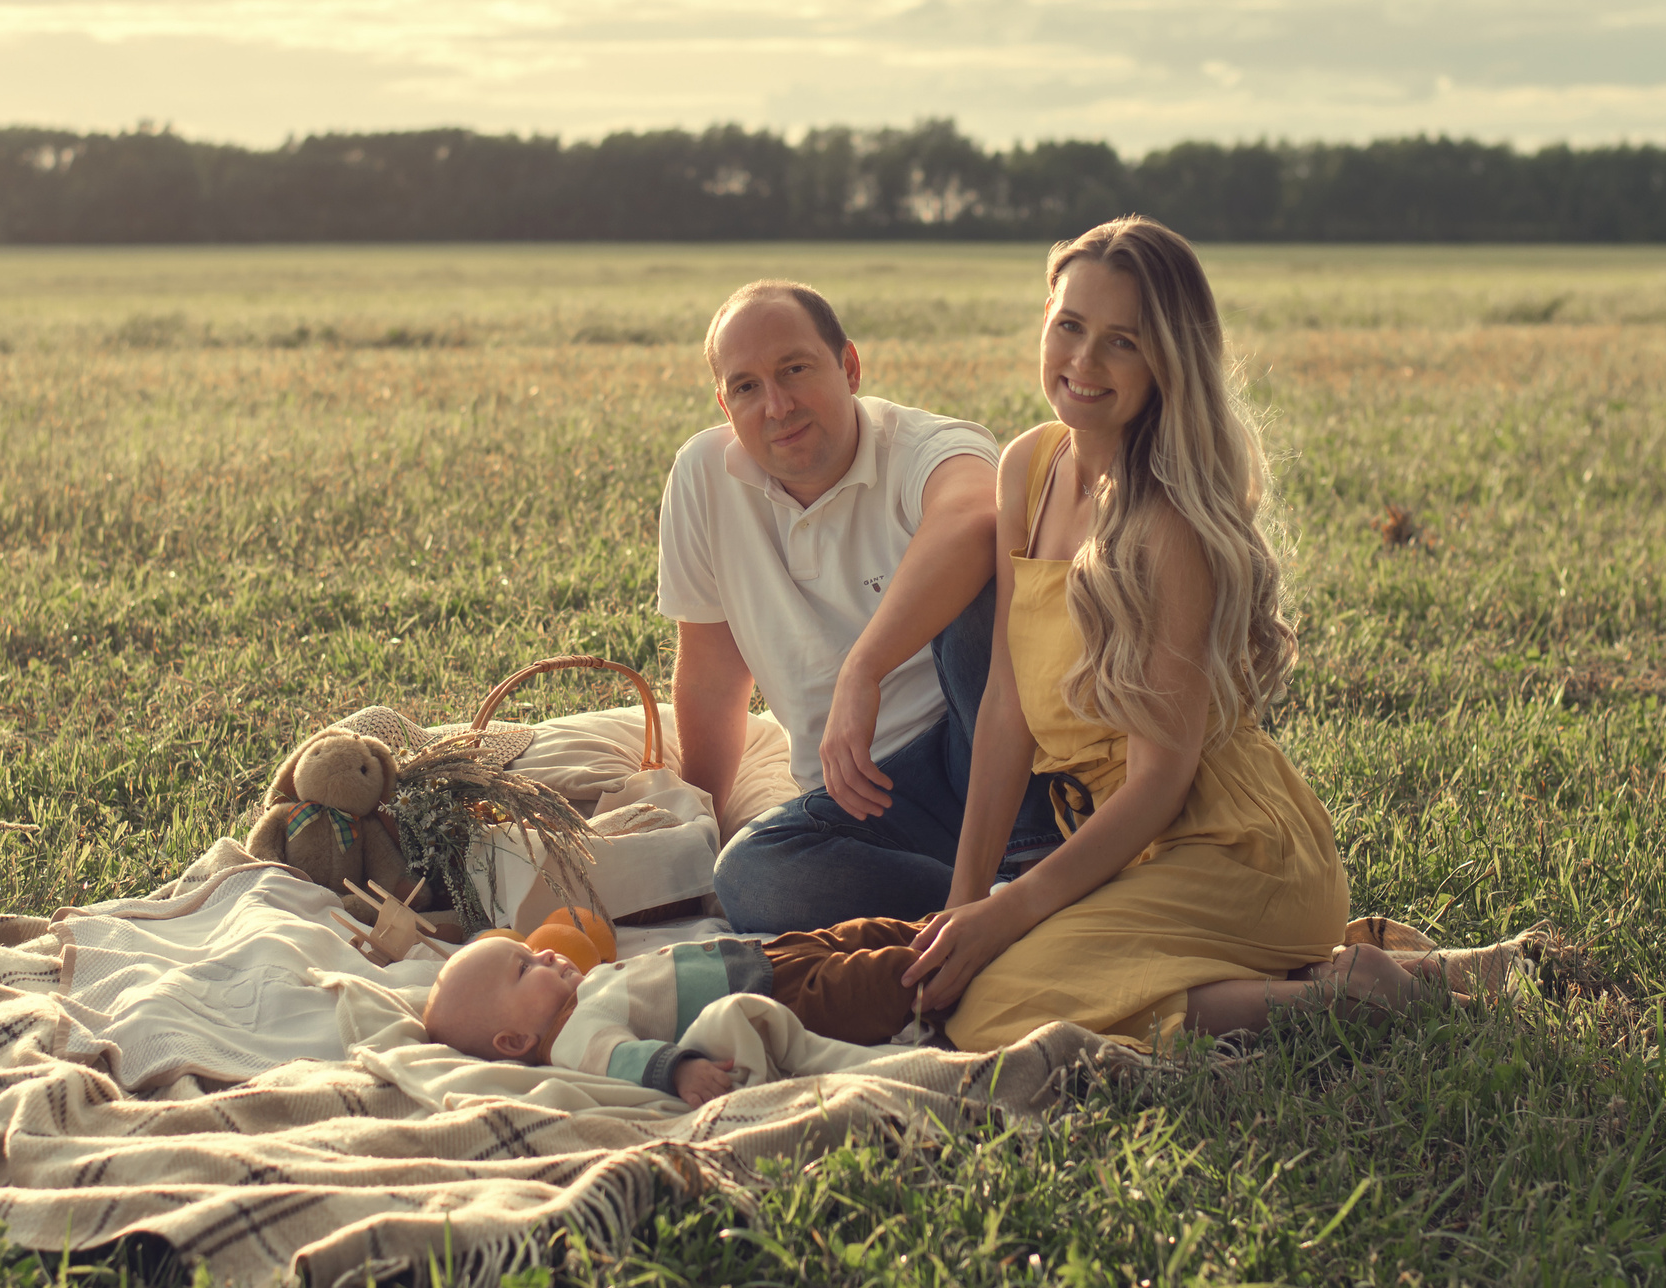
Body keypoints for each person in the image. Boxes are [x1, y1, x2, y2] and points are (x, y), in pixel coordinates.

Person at [898, 215, 1505, 1050]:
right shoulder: (1027, 469)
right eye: (1070, 325)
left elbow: (1158, 783)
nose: (1084, 360)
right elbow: (1004, 706)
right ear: (1044, 317)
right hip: (1127, 853)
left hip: (1237, 853)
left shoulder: (1168, 525)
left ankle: (1350, 994)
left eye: (1122, 342)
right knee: (968, 974)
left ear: (1168, 361)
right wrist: (965, 905)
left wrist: (1008, 915)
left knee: (993, 1007)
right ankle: (1342, 976)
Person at [657, 280, 1066, 934]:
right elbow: (710, 676)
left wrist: (863, 668)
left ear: (849, 367)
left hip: (985, 748)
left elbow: (975, 517)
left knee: (987, 572)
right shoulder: (704, 477)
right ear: (724, 404)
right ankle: (1005, 907)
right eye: (747, 387)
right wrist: (694, 835)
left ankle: (1028, 856)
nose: (777, 406)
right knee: (749, 875)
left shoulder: (929, 446)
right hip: (864, 801)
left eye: (795, 369)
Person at [419, 919, 941, 1104]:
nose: (547, 953)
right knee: (874, 982)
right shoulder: (573, 1038)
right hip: (782, 999)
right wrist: (680, 1069)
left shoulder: (583, 994)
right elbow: (623, 1059)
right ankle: (955, 967)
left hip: (762, 959)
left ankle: (948, 926)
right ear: (514, 1041)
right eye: (525, 968)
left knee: (865, 933)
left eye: (532, 951)